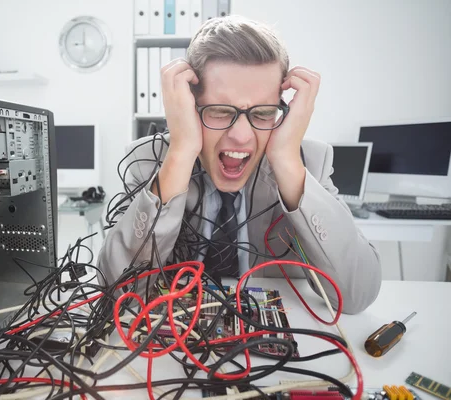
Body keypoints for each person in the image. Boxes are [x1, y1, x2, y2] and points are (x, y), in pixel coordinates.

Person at [98, 15, 381, 314]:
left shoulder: (309, 161)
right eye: (220, 111)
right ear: (189, 106)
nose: (242, 136)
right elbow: (116, 295)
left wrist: (286, 162)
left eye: (262, 113)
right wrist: (180, 153)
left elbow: (356, 296)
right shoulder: (147, 161)